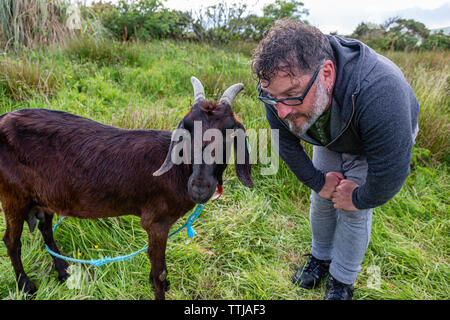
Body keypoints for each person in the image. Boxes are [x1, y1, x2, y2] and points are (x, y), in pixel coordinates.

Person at [251, 20, 419, 300]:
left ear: (326, 74)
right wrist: (319, 182)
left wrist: (360, 197)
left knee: (352, 211)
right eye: (272, 98)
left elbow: (391, 171)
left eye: (291, 95)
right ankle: (321, 258)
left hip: (374, 136)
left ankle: (342, 279)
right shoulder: (279, 96)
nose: (280, 112)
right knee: (322, 198)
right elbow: (287, 144)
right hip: (328, 126)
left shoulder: (381, 92)